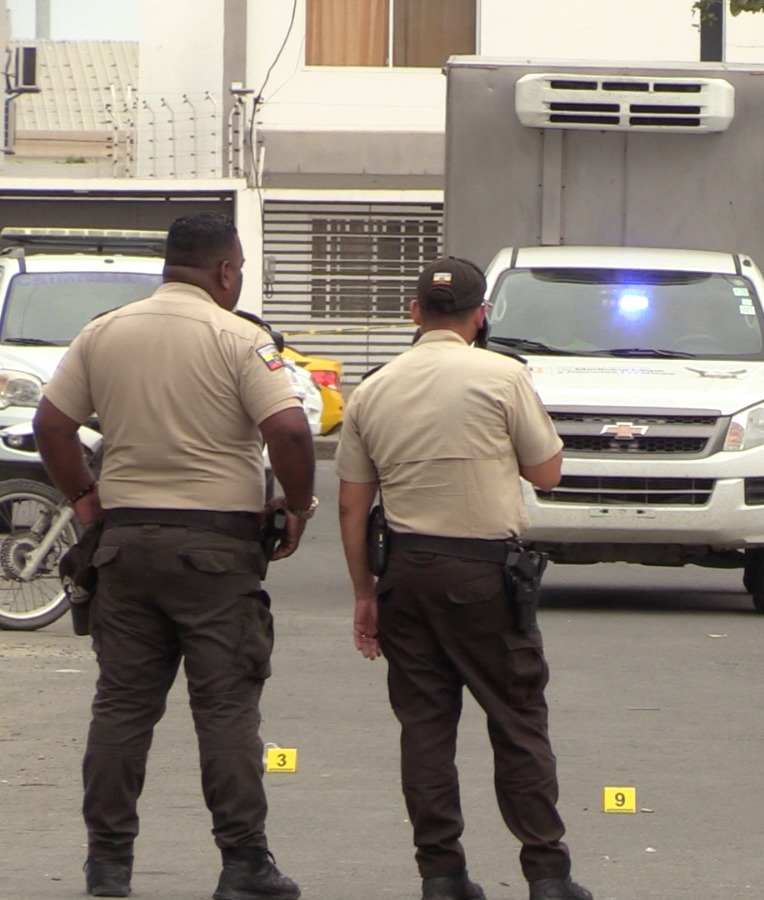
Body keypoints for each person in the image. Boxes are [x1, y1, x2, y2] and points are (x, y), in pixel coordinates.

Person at [32, 212, 315, 899]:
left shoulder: (105, 331)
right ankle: (244, 864)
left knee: (122, 708)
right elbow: (288, 428)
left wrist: (84, 501)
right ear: (225, 271)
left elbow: (52, 424)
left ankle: (107, 865)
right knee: (224, 711)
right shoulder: (240, 338)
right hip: (216, 551)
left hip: (125, 545)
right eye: (240, 269)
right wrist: (298, 508)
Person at [334, 258, 591, 900]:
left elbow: (350, 505)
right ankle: (547, 875)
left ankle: (442, 875)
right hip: (484, 575)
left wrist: (365, 593)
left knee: (425, 726)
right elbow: (548, 473)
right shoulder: (504, 376)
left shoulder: (374, 388)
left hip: (407, 572)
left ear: (415, 313)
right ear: (481, 317)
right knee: (517, 719)